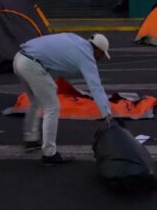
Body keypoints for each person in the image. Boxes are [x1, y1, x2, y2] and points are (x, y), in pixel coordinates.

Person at [13, 33, 113, 165]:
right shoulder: (86, 56)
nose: (100, 59)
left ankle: (31, 139)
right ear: (98, 51)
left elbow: (54, 62)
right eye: (101, 55)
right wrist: (107, 113)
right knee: (52, 107)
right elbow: (96, 87)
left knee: (36, 101)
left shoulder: (75, 40)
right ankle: (49, 154)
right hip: (32, 65)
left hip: (20, 58)